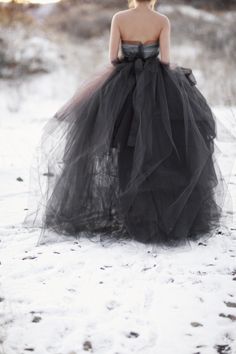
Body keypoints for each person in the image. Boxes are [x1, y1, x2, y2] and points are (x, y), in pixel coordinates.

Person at [24, 0, 232, 248]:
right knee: (157, 147)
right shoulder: (162, 21)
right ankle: (158, 215)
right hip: (158, 90)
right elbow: (165, 61)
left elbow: (113, 57)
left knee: (124, 146)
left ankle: (128, 213)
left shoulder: (119, 18)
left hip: (124, 88)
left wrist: (131, 59)